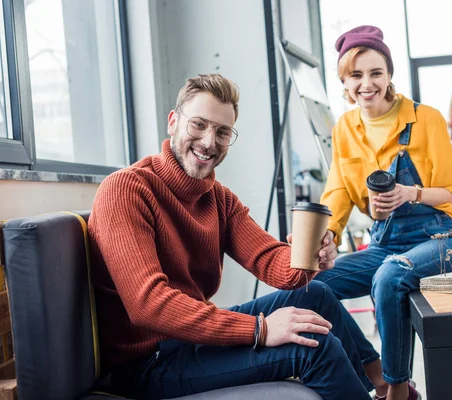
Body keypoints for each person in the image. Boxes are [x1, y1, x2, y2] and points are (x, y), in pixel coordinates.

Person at [88, 73, 381, 400]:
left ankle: (385, 388)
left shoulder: (219, 198)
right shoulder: (126, 190)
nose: (209, 142)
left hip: (189, 339)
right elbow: (148, 306)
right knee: (312, 347)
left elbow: (272, 262)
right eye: (198, 124)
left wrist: (309, 252)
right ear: (173, 122)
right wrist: (261, 330)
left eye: (222, 132)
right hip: (149, 362)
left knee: (317, 296)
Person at [314, 25, 452, 400]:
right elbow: (339, 192)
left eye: (376, 72)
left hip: (441, 237)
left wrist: (409, 193)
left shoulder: (425, 118)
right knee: (312, 285)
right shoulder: (345, 128)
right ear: (344, 82)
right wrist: (326, 234)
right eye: (356, 75)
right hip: (386, 241)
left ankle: (397, 389)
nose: (367, 83)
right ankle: (373, 369)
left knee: (390, 276)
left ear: (389, 74)